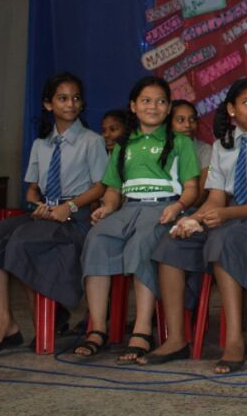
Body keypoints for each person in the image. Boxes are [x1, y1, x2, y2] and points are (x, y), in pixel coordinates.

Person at [146, 78, 247, 373]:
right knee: (171, 241)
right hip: (232, 213)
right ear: (231, 109)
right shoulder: (222, 145)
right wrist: (192, 219)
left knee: (223, 240)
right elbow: (216, 198)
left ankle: (235, 341)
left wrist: (225, 215)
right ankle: (176, 338)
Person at [0, 72, 107, 353]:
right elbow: (32, 189)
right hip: (45, 211)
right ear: (48, 104)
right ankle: (6, 322)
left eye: (76, 98)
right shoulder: (41, 144)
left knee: (23, 240)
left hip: (74, 216)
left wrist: (69, 206)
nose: (70, 104)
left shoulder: (92, 141)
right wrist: (37, 205)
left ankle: (44, 319)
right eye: (62, 98)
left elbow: (100, 187)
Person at [73, 76, 200, 362]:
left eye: (160, 101)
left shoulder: (180, 142)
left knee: (142, 243)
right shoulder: (123, 144)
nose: (153, 106)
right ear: (133, 106)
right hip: (128, 209)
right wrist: (107, 207)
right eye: (146, 101)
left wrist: (178, 206)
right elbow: (114, 189)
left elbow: (192, 188)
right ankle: (97, 329)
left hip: (163, 208)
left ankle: (142, 330)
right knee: (96, 239)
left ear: (168, 107)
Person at [170, 99, 209, 188]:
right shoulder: (158, 148)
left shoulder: (204, 150)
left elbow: (203, 189)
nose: (188, 125)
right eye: (180, 120)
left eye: (192, 119)